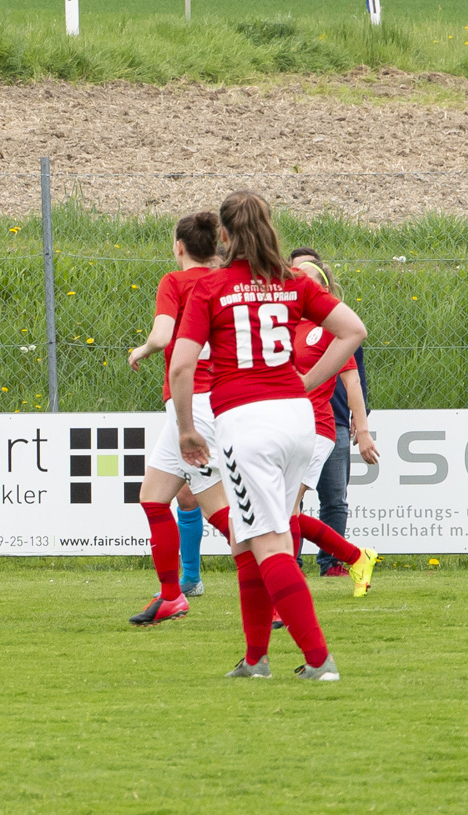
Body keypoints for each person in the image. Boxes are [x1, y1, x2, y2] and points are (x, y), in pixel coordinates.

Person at [172, 190, 367, 681]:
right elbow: (354, 331)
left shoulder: (212, 287)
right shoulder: (292, 281)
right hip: (298, 421)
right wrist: (308, 382)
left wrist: (187, 430)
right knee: (247, 539)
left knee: (270, 543)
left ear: (223, 234)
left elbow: (181, 366)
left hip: (247, 423)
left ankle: (320, 661)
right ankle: (256, 659)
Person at [125, 211, 232, 626]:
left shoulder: (175, 281)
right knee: (153, 498)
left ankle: (276, 591)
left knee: (221, 513)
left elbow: (163, 335)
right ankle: (171, 596)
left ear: (180, 247)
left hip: (194, 406)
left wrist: (141, 350)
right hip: (202, 403)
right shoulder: (223, 281)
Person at [285, 250, 380, 597]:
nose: (297, 284)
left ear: (321, 289)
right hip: (288, 427)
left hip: (317, 428)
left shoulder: (332, 328)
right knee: (286, 509)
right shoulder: (286, 327)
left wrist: (362, 430)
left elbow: (352, 381)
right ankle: (355, 557)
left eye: (305, 280)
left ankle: (288, 577)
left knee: (293, 506)